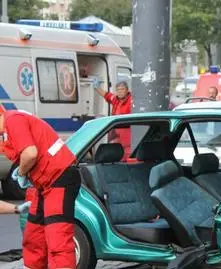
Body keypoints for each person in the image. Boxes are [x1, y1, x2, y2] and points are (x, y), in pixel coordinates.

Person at [0, 109, 79, 269]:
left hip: (59, 178)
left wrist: (22, 172)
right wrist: (17, 208)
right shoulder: (6, 131)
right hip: (44, 185)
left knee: (58, 238)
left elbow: (30, 154)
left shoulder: (13, 120)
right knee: (34, 237)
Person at [93, 79, 132, 160]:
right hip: (115, 135)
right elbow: (107, 95)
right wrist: (97, 87)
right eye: (118, 90)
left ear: (127, 90)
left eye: (122, 89)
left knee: (126, 155)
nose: (120, 92)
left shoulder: (131, 101)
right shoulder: (115, 99)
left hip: (127, 134)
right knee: (115, 155)